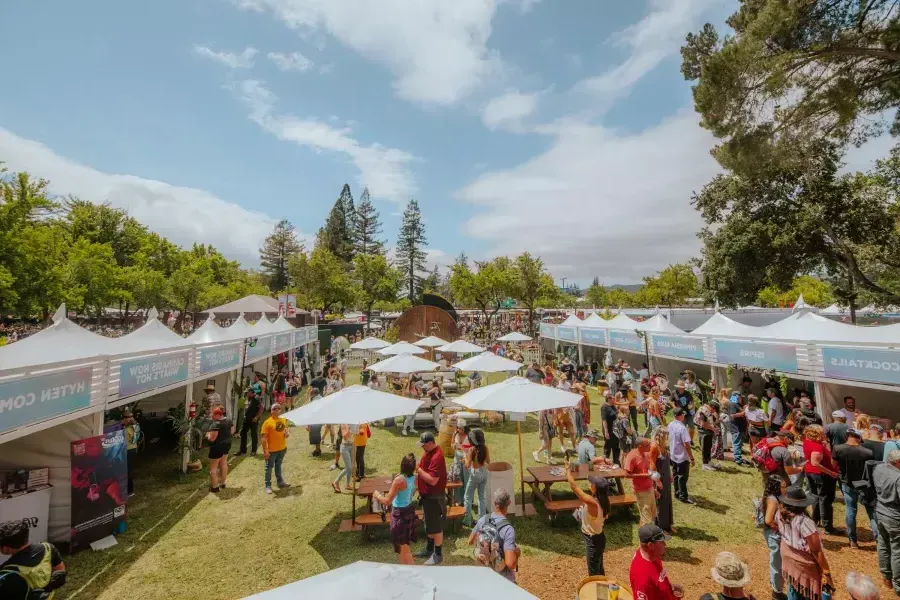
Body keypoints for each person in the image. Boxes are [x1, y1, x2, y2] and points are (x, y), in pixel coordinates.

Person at [776, 486, 833, 600]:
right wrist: (826, 572)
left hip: (788, 557)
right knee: (809, 591)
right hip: (804, 564)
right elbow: (816, 550)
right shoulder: (804, 522)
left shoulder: (780, 514)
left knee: (793, 585)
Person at [0, 520, 67, 599]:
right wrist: (47, 588)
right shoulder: (48, 548)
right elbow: (60, 572)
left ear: (5, 547)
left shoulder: (6, 571)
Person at [833, 428, 876, 548]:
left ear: (847, 436)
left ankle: (853, 540)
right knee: (871, 512)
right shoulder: (868, 452)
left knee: (851, 510)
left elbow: (834, 465)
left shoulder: (838, 449)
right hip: (864, 484)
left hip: (847, 483)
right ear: (859, 437)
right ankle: (879, 538)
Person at [373, 454, 418, 565]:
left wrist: (377, 495)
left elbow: (387, 501)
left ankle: (414, 572)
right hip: (409, 511)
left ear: (402, 465)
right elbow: (413, 492)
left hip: (399, 515)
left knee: (404, 547)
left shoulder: (399, 480)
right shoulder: (415, 478)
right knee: (403, 547)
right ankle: (404, 571)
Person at [565, 464, 609, 576]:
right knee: (599, 568)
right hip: (599, 537)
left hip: (593, 541)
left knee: (593, 574)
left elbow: (574, 487)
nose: (589, 484)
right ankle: (603, 588)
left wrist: (567, 469)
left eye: (591, 483)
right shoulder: (605, 501)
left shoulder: (593, 503)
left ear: (595, 487)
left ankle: (597, 591)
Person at [468, 488, 519, 584]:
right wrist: (517, 553)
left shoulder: (484, 519)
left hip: (484, 576)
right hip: (503, 580)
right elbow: (510, 563)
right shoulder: (508, 529)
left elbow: (470, 541)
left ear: (495, 502)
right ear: (509, 503)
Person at [416, 432, 447, 565]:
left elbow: (433, 480)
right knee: (429, 524)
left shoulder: (437, 457)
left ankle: (438, 554)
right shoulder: (429, 452)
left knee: (436, 526)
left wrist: (418, 470)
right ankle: (429, 549)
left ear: (430, 443)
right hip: (427, 496)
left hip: (434, 497)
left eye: (424, 445)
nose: (422, 447)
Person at [630, 523, 681, 600]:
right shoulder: (642, 579)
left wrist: (670, 588)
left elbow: (656, 580)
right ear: (650, 545)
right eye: (661, 542)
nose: (665, 544)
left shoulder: (652, 555)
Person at [802, 424, 838, 534]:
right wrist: (831, 472)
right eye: (822, 433)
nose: (824, 434)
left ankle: (815, 520)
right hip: (821, 475)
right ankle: (828, 526)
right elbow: (815, 463)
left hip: (810, 472)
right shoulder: (816, 447)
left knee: (816, 497)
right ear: (817, 434)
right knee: (825, 499)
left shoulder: (808, 441)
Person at [874, 449, 900, 594]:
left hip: (880, 511)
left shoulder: (879, 468)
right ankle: (898, 585)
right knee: (898, 551)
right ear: (897, 462)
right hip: (895, 517)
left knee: (883, 544)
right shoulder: (898, 477)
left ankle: (886, 576)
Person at [761, 474, 788, 600]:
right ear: (776, 487)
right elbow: (767, 520)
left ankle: (776, 586)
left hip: (774, 534)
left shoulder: (775, 497)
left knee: (778, 562)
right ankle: (776, 593)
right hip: (773, 535)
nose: (785, 489)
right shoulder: (773, 500)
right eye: (783, 487)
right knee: (777, 563)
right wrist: (779, 526)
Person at [625, 437, 658, 526]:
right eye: (647, 445)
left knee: (652, 514)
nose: (650, 447)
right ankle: (647, 538)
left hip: (649, 488)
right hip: (640, 490)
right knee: (646, 517)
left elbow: (649, 471)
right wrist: (642, 475)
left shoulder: (646, 454)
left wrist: (654, 489)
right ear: (640, 446)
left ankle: (645, 533)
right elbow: (627, 475)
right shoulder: (631, 456)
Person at [463, 428, 490, 527]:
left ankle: (467, 520)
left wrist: (465, 456)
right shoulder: (485, 448)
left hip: (475, 474)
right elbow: (488, 461)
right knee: (481, 497)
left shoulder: (472, 449)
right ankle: (481, 521)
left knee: (467, 497)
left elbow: (467, 465)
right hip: (484, 472)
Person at [261, 403, 290, 494]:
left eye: (278, 408)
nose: (276, 410)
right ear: (271, 411)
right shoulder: (267, 422)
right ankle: (268, 486)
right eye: (274, 408)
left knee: (278, 465)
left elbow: (286, 431)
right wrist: (266, 450)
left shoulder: (284, 420)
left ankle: (280, 482)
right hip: (272, 450)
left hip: (282, 448)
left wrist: (287, 434)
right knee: (269, 468)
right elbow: (263, 438)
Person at [650, 426, 674, 534]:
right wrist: (657, 480)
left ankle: (668, 525)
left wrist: (670, 474)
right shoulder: (654, 447)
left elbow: (667, 462)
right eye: (665, 435)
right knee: (660, 502)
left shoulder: (664, 447)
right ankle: (659, 528)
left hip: (666, 477)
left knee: (667, 500)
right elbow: (652, 465)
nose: (667, 437)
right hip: (659, 478)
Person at [668, 408, 695, 504]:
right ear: (680, 416)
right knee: (682, 477)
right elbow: (687, 445)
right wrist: (691, 458)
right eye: (683, 414)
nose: (684, 416)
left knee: (675, 475)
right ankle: (683, 496)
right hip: (682, 456)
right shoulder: (682, 428)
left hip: (673, 455)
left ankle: (677, 492)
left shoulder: (670, 424)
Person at [205, 406, 233, 493]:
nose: (211, 416)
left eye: (212, 414)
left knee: (213, 467)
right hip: (226, 445)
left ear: (217, 415)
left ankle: (215, 487)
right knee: (224, 463)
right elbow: (232, 430)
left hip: (217, 447)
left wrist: (207, 435)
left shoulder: (216, 424)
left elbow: (212, 438)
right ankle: (223, 483)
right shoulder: (228, 420)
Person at [728, 384, 749, 466]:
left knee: (739, 443)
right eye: (740, 397)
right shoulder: (732, 403)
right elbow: (733, 415)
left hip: (740, 427)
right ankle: (738, 460)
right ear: (736, 397)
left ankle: (739, 458)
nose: (741, 398)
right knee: (736, 443)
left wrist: (744, 408)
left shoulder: (737, 403)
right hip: (736, 427)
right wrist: (744, 412)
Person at [237, 389, 262, 456]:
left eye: (247, 392)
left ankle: (253, 451)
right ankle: (242, 451)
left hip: (253, 420)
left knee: (253, 435)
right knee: (243, 433)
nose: (246, 394)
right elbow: (246, 406)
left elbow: (261, 408)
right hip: (247, 419)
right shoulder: (248, 398)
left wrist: (256, 417)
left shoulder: (257, 398)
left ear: (251, 392)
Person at [331, 423, 356, 493]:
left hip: (353, 446)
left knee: (351, 467)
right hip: (345, 447)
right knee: (349, 468)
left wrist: (358, 428)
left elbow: (357, 433)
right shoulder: (343, 424)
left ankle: (347, 485)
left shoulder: (353, 423)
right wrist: (350, 429)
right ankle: (336, 482)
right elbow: (345, 437)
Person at [696, 400, 720, 470]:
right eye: (714, 410)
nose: (714, 411)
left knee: (709, 447)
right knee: (705, 448)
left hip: (708, 432)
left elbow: (709, 421)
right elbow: (703, 424)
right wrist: (713, 429)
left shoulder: (707, 410)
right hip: (704, 432)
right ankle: (705, 464)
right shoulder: (704, 411)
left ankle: (708, 461)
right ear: (712, 407)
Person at [453, 418, 472, 505]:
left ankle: (467, 500)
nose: (460, 430)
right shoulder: (455, 434)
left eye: (461, 428)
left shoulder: (469, 435)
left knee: (467, 479)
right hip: (457, 458)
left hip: (466, 458)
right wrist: (454, 446)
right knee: (458, 478)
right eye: (458, 428)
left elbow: (472, 447)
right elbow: (452, 443)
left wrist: (465, 448)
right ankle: (458, 499)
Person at [122, 409, 139, 497]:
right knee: (130, 469)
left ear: (126, 419)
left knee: (127, 470)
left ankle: (129, 491)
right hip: (134, 448)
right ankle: (130, 490)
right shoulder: (136, 426)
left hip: (128, 450)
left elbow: (122, 441)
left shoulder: (126, 430)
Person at [600, 391, 620, 464]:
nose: (614, 399)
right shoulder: (604, 407)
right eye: (613, 398)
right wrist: (606, 432)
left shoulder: (613, 406)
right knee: (608, 447)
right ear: (609, 399)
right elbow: (604, 420)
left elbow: (617, 413)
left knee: (616, 446)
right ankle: (605, 462)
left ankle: (616, 462)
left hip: (615, 430)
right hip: (608, 430)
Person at [674, 381, 696, 445]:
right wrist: (675, 408)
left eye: (681, 387)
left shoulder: (688, 393)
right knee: (681, 428)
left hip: (689, 413)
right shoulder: (674, 393)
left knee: (692, 427)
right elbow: (670, 401)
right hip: (680, 414)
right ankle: (682, 441)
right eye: (678, 387)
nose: (679, 388)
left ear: (683, 388)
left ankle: (690, 440)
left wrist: (691, 406)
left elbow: (692, 401)